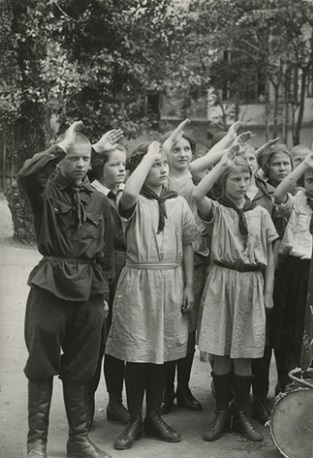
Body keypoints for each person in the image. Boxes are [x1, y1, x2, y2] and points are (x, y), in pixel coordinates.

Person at [19, 121, 114, 458]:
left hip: (89, 291)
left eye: (86, 159)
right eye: (73, 158)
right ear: (60, 159)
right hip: (51, 286)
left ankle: (78, 440)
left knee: (82, 367)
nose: (81, 165)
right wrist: (61, 144)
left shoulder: (99, 202)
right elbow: (27, 174)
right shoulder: (44, 192)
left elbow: (106, 252)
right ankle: (37, 444)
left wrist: (102, 298)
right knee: (42, 363)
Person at [105, 142, 199, 450]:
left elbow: (188, 243)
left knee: (161, 354)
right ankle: (134, 418)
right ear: (141, 169)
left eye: (163, 164)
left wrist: (187, 286)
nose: (162, 168)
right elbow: (130, 193)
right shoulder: (131, 200)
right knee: (138, 350)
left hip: (171, 281)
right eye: (155, 164)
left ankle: (155, 415)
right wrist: (147, 156)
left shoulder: (178, 203)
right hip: (140, 281)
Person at [193, 151, 278, 442]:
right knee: (221, 352)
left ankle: (241, 413)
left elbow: (271, 253)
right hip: (222, 281)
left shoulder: (261, 213)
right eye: (235, 179)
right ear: (224, 181)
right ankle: (221, 413)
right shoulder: (216, 210)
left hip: (251, 283)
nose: (242, 184)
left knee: (245, 353)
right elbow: (196, 192)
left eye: (246, 178)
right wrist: (221, 166)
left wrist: (268, 290)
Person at [160, 119, 206, 413]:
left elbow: (216, 161)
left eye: (187, 148)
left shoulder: (196, 178)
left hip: (196, 257)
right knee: (169, 325)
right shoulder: (162, 179)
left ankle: (184, 387)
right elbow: (162, 151)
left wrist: (229, 138)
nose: (181, 153)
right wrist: (171, 136)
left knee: (188, 325)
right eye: (176, 149)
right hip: (166, 258)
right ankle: (165, 391)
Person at [270, 146, 313, 390]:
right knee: (290, 331)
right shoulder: (295, 201)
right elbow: (279, 193)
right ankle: (287, 383)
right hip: (295, 269)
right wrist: (304, 164)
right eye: (311, 179)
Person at [86, 129, 130, 429]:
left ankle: (116, 402)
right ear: (98, 166)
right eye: (115, 164)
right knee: (92, 342)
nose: (122, 169)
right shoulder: (87, 193)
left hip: (125, 275)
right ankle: (85, 407)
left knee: (118, 341)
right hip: (97, 275)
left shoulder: (128, 195)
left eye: (124, 164)